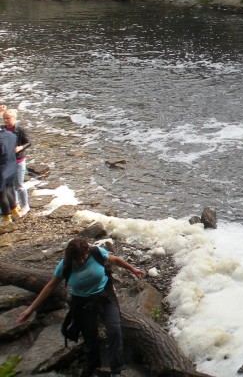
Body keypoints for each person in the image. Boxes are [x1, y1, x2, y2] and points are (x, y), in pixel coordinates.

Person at [17, 237, 145, 377]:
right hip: (83, 302)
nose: (82, 260)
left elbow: (115, 260)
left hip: (105, 296)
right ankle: (92, 366)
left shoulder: (96, 252)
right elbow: (50, 286)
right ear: (71, 256)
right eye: (78, 258)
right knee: (90, 339)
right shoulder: (65, 265)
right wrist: (31, 309)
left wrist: (133, 269)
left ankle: (116, 371)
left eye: (84, 256)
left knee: (114, 329)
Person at [3, 109, 31, 214]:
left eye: (8, 118)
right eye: (4, 118)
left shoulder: (20, 129)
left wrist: (20, 148)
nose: (6, 120)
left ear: (14, 118)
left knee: (19, 184)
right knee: (9, 185)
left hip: (18, 160)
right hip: (7, 161)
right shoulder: (2, 129)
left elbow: (28, 142)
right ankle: (14, 204)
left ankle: (25, 205)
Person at [0, 122, 16, 224]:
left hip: (1, 169)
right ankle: (15, 210)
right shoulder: (11, 135)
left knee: (1, 194)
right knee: (6, 190)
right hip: (11, 167)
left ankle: (7, 216)